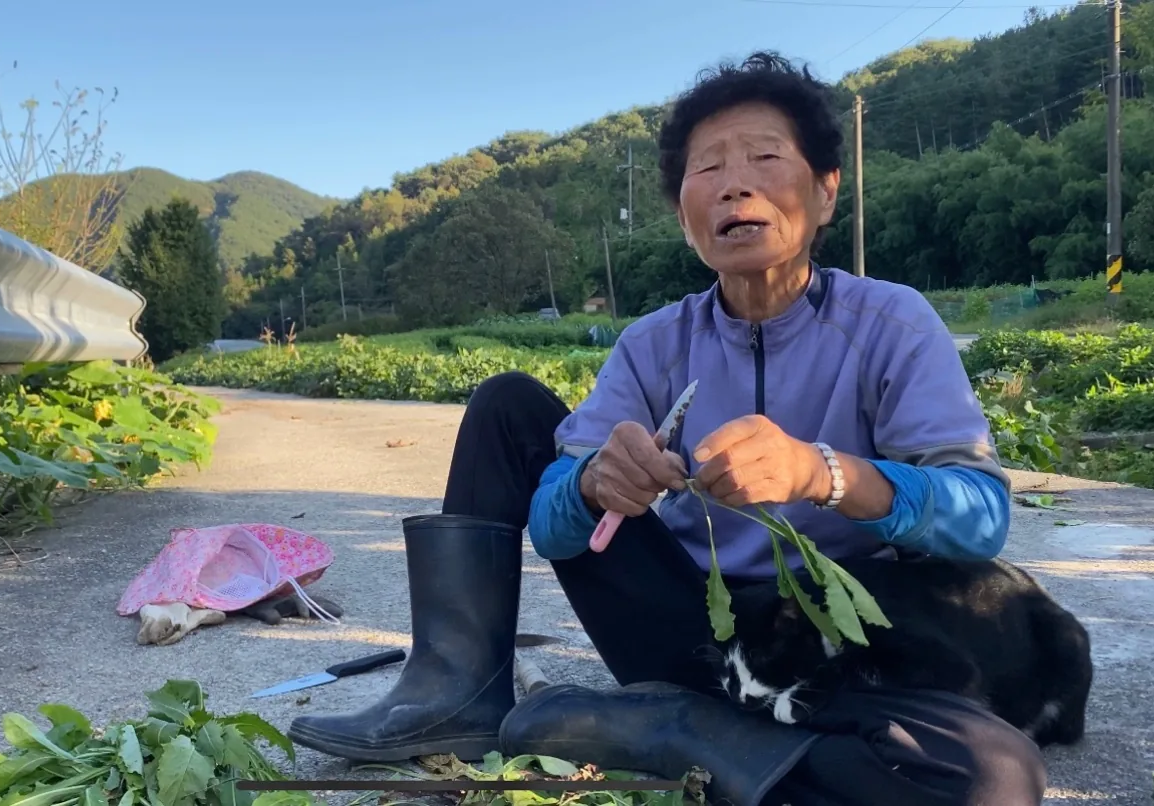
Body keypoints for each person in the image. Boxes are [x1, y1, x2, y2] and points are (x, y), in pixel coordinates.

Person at [287, 52, 1047, 806]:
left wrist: (826, 475)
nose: (734, 182)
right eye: (706, 168)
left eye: (764, 156)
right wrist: (589, 486)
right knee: (508, 404)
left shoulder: (891, 323)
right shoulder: (654, 345)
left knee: (992, 778)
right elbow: (555, 530)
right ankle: (454, 696)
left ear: (825, 192)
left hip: (826, 644)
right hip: (682, 630)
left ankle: (676, 730)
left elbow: (979, 515)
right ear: (685, 215)